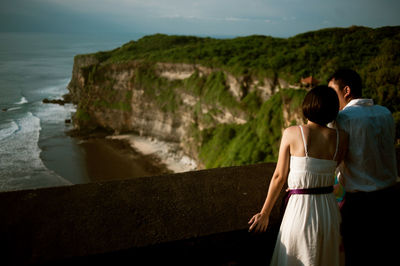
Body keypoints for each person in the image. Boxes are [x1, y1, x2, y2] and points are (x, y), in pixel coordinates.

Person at [248, 85, 348, 266]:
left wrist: (265, 213)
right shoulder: (342, 138)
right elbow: (333, 172)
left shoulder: (292, 133)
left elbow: (279, 176)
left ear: (308, 105)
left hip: (301, 210)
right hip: (329, 210)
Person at [328, 69, 399, 265]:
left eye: (333, 92)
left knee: (358, 256)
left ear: (347, 90)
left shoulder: (343, 119)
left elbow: (331, 157)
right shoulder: (385, 113)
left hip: (360, 202)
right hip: (391, 197)